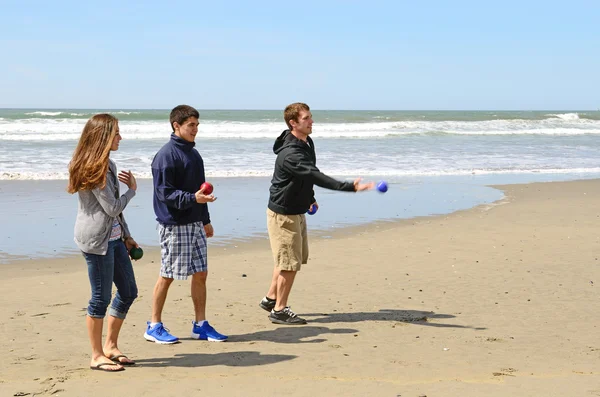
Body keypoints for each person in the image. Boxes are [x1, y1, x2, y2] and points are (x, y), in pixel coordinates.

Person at [259, 102, 374, 325]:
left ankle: (271, 298)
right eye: (306, 118)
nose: (312, 121)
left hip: (295, 209)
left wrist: (309, 197)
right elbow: (314, 175)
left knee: (289, 258)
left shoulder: (306, 142)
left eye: (311, 117)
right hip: (284, 215)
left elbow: (305, 177)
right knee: (289, 263)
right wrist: (349, 187)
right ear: (293, 123)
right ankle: (279, 310)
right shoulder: (291, 153)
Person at [144, 104, 227, 344]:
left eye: (197, 125)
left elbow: (199, 189)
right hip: (174, 224)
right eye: (191, 125)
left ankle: (200, 325)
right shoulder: (165, 156)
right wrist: (193, 199)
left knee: (201, 273)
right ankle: (154, 325)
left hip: (194, 222)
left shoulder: (194, 153)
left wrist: (205, 219)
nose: (195, 130)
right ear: (176, 126)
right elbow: (164, 194)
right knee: (167, 275)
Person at [68, 114, 139, 372]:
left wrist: (127, 235)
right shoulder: (92, 168)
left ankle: (110, 346)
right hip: (96, 241)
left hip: (115, 238)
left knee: (129, 291)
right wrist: (132, 190)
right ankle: (96, 355)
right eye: (116, 133)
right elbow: (112, 207)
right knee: (100, 298)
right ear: (103, 136)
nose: (120, 137)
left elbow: (116, 214)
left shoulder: (108, 163)